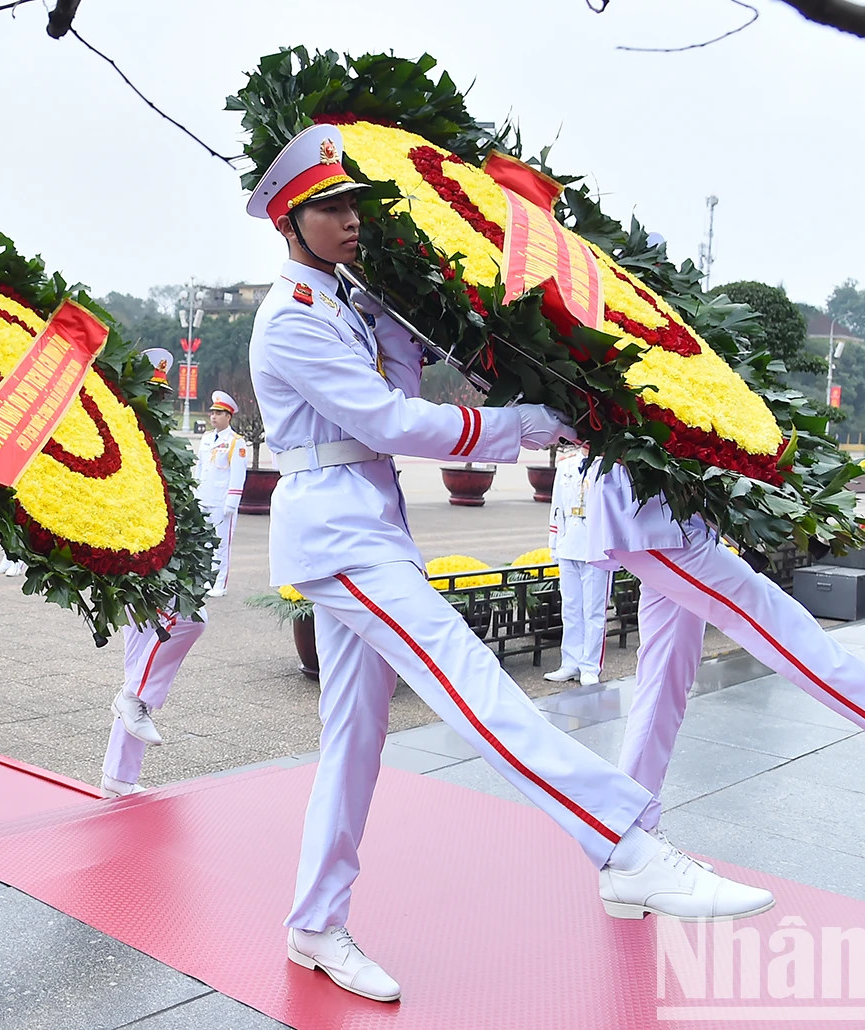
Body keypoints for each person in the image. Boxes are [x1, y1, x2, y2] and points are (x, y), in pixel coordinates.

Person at [246, 124, 772, 1004]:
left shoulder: (349, 301)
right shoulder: (290, 321)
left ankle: (313, 922)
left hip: (368, 524)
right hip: (336, 533)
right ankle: (626, 845)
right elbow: (391, 424)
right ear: (286, 224)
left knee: (354, 738)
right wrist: (517, 428)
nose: (347, 220)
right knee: (473, 683)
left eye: (350, 204)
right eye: (326, 208)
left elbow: (411, 379)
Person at [594, 463, 865, 834]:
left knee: (664, 679)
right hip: (648, 518)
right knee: (781, 625)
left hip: (674, 515)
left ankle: (629, 830)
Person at [101, 357, 206, 799]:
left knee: (139, 664)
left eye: (163, 396)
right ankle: (134, 703)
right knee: (185, 622)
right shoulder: (121, 439)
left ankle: (118, 776)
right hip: (130, 562)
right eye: (152, 395)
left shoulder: (163, 442)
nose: (158, 404)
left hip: (159, 559)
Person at [544, 444, 609, 686]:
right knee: (570, 608)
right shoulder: (565, 466)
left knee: (593, 610)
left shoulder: (609, 465)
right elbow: (556, 506)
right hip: (568, 539)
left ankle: (590, 666)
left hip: (596, 544)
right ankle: (570, 662)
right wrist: (554, 543)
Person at [196, 390, 250, 597]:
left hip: (222, 500)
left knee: (221, 543)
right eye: (212, 413)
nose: (213, 417)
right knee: (205, 542)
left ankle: (220, 583)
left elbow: (238, 474)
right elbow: (201, 469)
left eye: (218, 413)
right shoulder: (207, 438)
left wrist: (232, 502)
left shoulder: (236, 442)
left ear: (228, 416)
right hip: (205, 497)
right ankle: (207, 579)